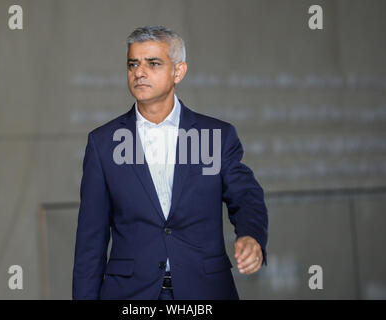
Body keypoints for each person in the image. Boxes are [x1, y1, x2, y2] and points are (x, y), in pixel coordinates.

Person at [72, 26, 268, 300]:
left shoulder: (216, 136)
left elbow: (246, 196)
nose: (139, 72)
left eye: (153, 63)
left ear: (178, 72)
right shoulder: (103, 143)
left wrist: (251, 235)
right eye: (133, 64)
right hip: (130, 295)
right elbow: (90, 242)